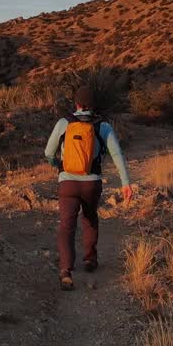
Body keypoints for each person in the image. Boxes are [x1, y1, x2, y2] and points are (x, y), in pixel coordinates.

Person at [43, 86, 132, 291]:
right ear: (93, 105)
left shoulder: (64, 123)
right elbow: (117, 155)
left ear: (76, 104)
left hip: (67, 182)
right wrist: (126, 183)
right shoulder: (103, 126)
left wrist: (57, 165)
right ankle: (90, 259)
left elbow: (48, 152)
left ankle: (66, 271)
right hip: (92, 182)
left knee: (66, 226)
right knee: (90, 217)